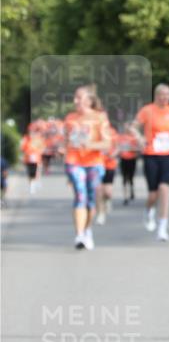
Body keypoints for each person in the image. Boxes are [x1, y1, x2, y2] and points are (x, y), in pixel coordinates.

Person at [131, 84, 169, 241]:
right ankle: (149, 210)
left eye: (168, 94)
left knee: (164, 188)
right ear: (156, 95)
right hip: (151, 154)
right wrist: (139, 138)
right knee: (153, 194)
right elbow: (133, 127)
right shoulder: (147, 110)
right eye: (162, 94)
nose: (165, 97)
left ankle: (162, 228)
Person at [62, 85, 112, 250]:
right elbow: (66, 142)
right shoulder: (70, 118)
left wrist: (89, 144)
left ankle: (87, 230)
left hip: (94, 163)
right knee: (80, 196)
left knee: (90, 200)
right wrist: (63, 148)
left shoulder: (100, 118)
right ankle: (79, 235)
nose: (75, 101)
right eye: (75, 97)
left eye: (79, 97)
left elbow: (107, 143)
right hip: (74, 162)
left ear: (89, 101)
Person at [96, 124, 118, 225]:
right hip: (97, 164)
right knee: (98, 191)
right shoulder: (94, 131)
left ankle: (108, 200)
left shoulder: (112, 132)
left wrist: (113, 154)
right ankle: (100, 214)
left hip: (109, 165)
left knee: (108, 192)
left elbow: (117, 147)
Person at [117, 121, 141, 204]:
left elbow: (139, 148)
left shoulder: (134, 138)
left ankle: (131, 190)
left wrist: (132, 148)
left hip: (132, 159)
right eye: (125, 127)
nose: (126, 128)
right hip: (123, 159)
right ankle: (125, 196)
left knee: (131, 177)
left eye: (128, 127)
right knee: (124, 178)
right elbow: (118, 147)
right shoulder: (121, 137)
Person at [20, 124, 45, 195]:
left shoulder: (38, 139)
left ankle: (33, 185)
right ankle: (32, 184)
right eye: (31, 131)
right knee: (29, 173)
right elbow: (22, 148)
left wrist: (37, 151)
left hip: (36, 159)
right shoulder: (26, 138)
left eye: (34, 131)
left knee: (35, 172)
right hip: (28, 159)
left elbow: (42, 148)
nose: (32, 133)